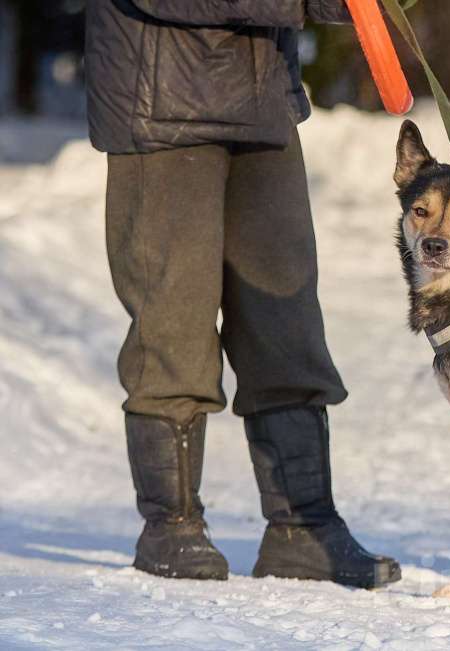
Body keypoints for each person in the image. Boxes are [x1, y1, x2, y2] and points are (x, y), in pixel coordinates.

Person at [85, 0, 400, 588]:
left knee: (286, 321)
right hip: (160, 105)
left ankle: (302, 527)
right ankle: (171, 526)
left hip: (264, 103)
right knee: (173, 321)